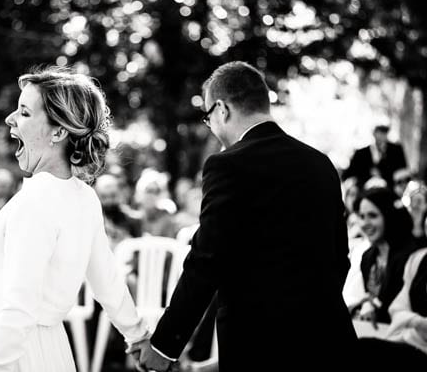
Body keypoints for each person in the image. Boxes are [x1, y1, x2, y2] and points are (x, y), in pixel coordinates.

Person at [129, 61, 357, 370]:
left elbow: (206, 260)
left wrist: (165, 345)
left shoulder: (227, 166)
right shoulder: (321, 164)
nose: (210, 125)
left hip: (261, 344)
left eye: (208, 116)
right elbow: (339, 256)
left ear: (221, 109)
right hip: (329, 339)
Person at [0, 67, 148, 372]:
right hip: (49, 346)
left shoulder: (35, 201)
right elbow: (107, 281)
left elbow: (19, 303)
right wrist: (137, 335)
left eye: (25, 113)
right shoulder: (84, 197)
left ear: (58, 132)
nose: (10, 119)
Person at [349, 187, 420, 323]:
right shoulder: (367, 257)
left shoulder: (412, 256)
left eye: (373, 216)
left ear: (389, 215)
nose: (365, 223)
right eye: (362, 216)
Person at [357, 247, 427, 367]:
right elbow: (398, 309)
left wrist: (412, 321)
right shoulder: (419, 258)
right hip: (411, 340)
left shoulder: (403, 257)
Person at [343, 124, 407, 190]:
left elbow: (403, 170)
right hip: (364, 191)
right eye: (379, 132)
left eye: (384, 132)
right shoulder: (361, 153)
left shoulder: (396, 151)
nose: (382, 135)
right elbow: (349, 174)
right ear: (374, 133)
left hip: (389, 190)